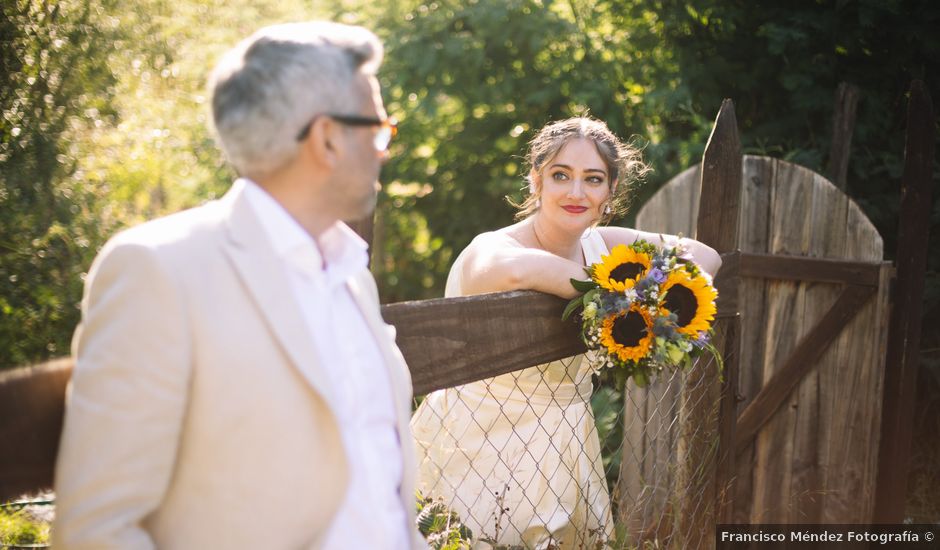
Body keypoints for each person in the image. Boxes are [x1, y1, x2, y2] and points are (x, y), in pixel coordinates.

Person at [53, 22, 426, 549]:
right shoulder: (158, 270)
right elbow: (96, 528)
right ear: (326, 138)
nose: (386, 149)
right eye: (378, 129)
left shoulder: (351, 272)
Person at [410, 116, 721, 548]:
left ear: (610, 191)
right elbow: (510, 270)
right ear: (536, 181)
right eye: (561, 175)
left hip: (567, 443)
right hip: (480, 441)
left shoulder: (605, 246)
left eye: (593, 179)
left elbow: (704, 256)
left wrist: (646, 302)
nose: (576, 193)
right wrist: (620, 296)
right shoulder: (496, 244)